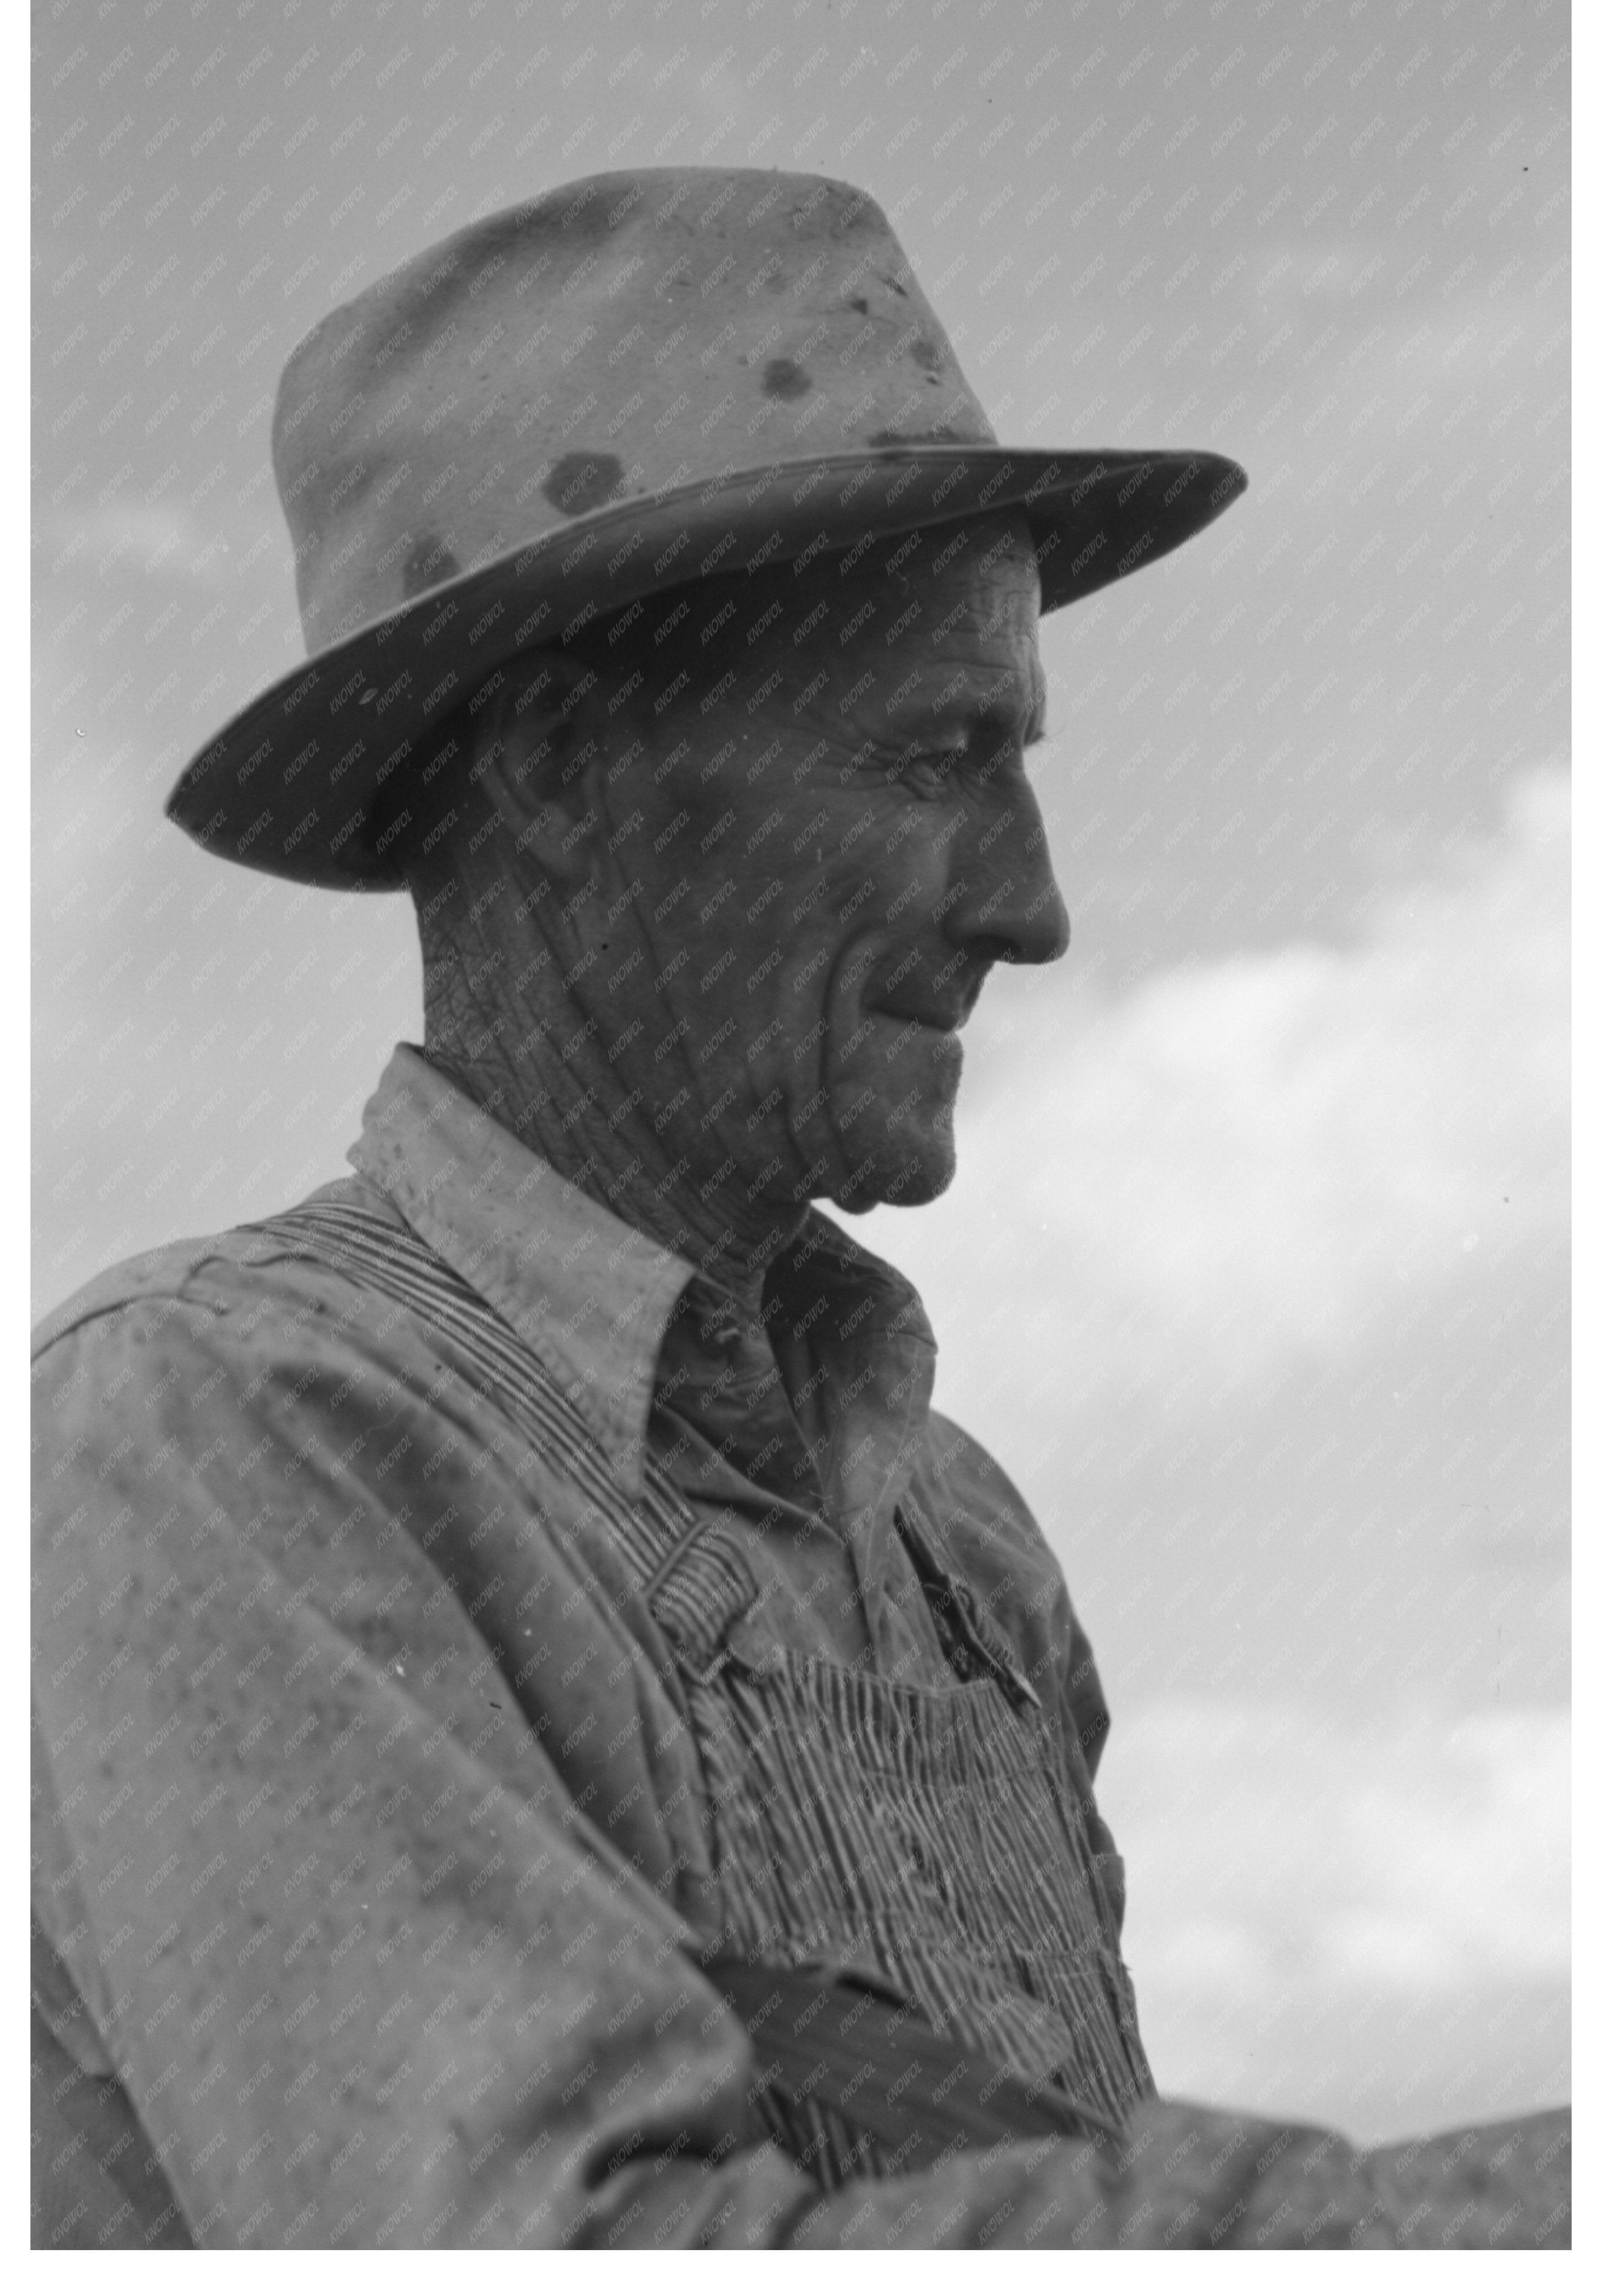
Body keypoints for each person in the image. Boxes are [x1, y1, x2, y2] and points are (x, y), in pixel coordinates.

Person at [31, 168, 1569, 2249]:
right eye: (938, 754)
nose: (1032, 905)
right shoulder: (215, 1435)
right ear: (562, 774)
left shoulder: (967, 1553)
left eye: (1019, 759)